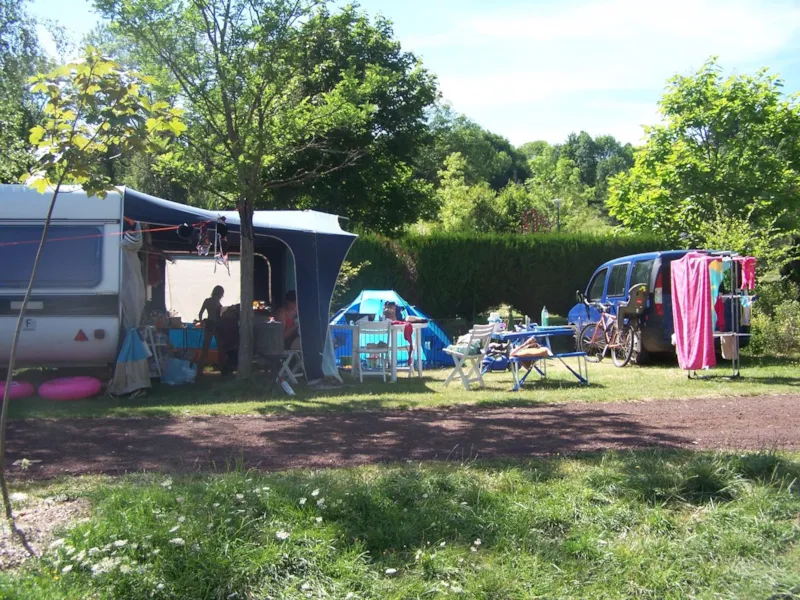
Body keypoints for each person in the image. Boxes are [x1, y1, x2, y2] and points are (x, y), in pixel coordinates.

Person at [196, 285, 224, 373]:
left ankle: (199, 368)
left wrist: (202, 322)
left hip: (210, 324)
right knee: (220, 347)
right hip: (215, 324)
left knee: (206, 348)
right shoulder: (216, 302)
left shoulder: (208, 301)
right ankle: (222, 367)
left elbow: (200, 313)